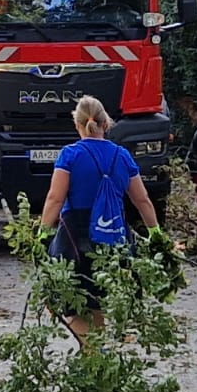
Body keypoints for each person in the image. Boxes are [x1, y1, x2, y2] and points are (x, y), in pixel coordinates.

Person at [38, 96, 165, 346]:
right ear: (106, 123)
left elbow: (55, 198)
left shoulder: (70, 155)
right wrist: (156, 234)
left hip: (75, 239)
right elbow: (142, 200)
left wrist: (42, 234)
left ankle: (92, 355)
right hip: (114, 240)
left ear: (77, 124)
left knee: (62, 297)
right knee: (101, 299)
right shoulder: (122, 156)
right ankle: (97, 356)